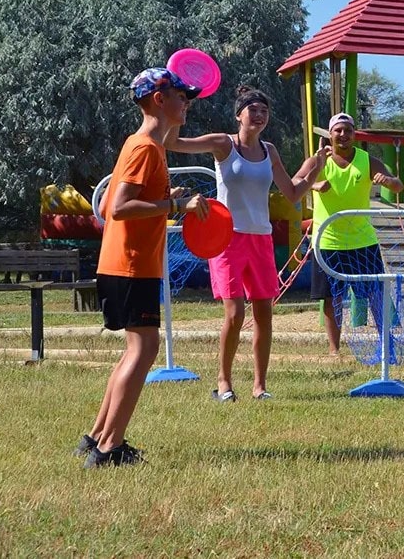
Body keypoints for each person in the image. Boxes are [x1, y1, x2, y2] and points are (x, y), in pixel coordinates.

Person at [77, 67, 208, 468]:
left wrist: (167, 196)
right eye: (181, 97)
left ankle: (97, 436)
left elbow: (104, 205)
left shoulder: (142, 145)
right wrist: (172, 206)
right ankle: (108, 450)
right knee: (146, 348)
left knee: (136, 349)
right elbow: (116, 208)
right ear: (158, 100)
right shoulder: (145, 148)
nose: (186, 103)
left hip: (124, 263)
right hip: (132, 266)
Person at [165, 86, 326, 401]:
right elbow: (171, 142)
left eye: (264, 110)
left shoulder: (270, 150)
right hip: (228, 238)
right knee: (235, 313)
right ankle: (223, 383)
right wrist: (180, 111)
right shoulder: (223, 144)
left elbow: (292, 194)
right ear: (239, 114)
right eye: (253, 109)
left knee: (264, 313)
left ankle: (260, 386)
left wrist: (313, 170)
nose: (260, 115)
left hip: (261, 238)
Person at [298, 113, 404, 355]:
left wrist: (387, 180)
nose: (343, 135)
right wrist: (314, 184)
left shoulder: (368, 160)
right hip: (327, 241)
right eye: (338, 131)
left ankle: (386, 345)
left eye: (348, 131)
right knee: (330, 298)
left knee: (376, 293)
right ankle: (334, 350)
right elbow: (295, 182)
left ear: (354, 134)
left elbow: (398, 185)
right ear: (330, 134)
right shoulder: (319, 161)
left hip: (363, 241)